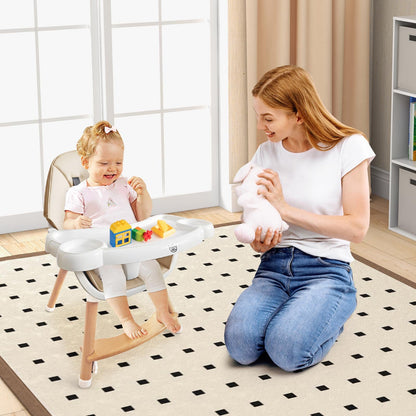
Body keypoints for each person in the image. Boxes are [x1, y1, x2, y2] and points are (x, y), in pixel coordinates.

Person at [224, 65, 375, 372]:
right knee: (241, 348)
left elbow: (357, 228)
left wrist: (285, 209)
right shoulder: (266, 153)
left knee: (287, 353)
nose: (260, 125)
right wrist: (261, 242)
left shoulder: (348, 147)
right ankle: (301, 315)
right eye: (258, 115)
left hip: (326, 269)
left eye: (268, 118)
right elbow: (259, 218)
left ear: (299, 114)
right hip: (275, 267)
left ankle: (333, 311)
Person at [64, 121, 181, 339]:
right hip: (104, 251)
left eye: (118, 162)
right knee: (113, 276)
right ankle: (126, 320)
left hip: (132, 244)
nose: (113, 168)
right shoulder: (78, 193)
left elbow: (142, 216)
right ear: (85, 162)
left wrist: (143, 193)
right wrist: (76, 223)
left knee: (152, 269)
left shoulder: (124, 185)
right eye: (104, 163)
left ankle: (163, 312)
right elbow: (67, 223)